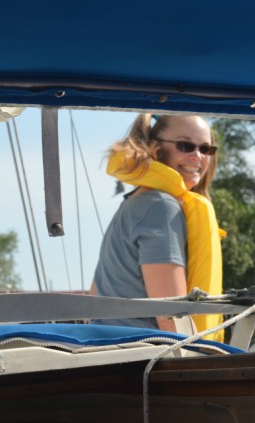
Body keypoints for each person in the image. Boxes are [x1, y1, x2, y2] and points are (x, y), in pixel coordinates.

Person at [90, 113, 224, 341]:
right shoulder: (160, 207)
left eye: (206, 149)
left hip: (115, 353)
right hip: (144, 357)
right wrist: (204, 359)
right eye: (185, 146)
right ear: (155, 148)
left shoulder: (138, 203)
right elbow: (171, 315)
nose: (197, 156)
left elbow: (95, 294)